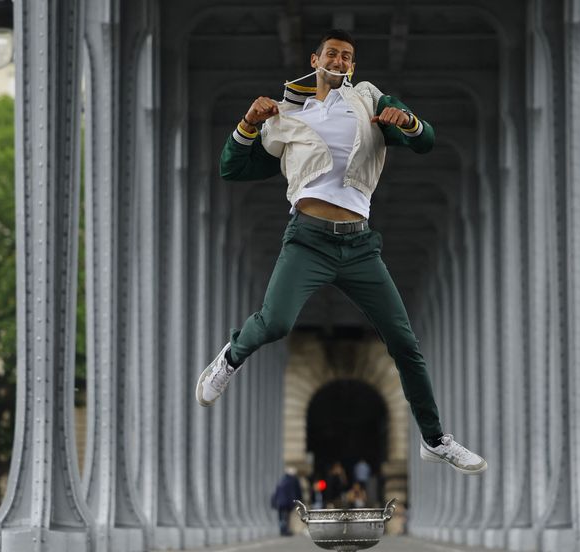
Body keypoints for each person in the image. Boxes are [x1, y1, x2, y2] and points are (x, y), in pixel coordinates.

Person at [196, 29, 487, 475]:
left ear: (353, 68)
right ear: (315, 59)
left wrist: (406, 122)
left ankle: (435, 439)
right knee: (274, 323)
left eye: (347, 57)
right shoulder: (287, 115)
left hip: (359, 244)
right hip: (308, 239)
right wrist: (248, 124)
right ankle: (230, 357)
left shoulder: (369, 100)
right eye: (332, 52)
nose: (339, 60)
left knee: (404, 343)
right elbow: (231, 169)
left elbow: (424, 139)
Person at [271, 466, 302, 536]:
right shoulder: (293, 480)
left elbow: (276, 492)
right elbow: (297, 491)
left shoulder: (282, 480)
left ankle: (282, 530)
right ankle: (285, 530)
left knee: (281, 516)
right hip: (287, 502)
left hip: (280, 502)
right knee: (286, 516)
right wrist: (298, 500)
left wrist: (274, 502)